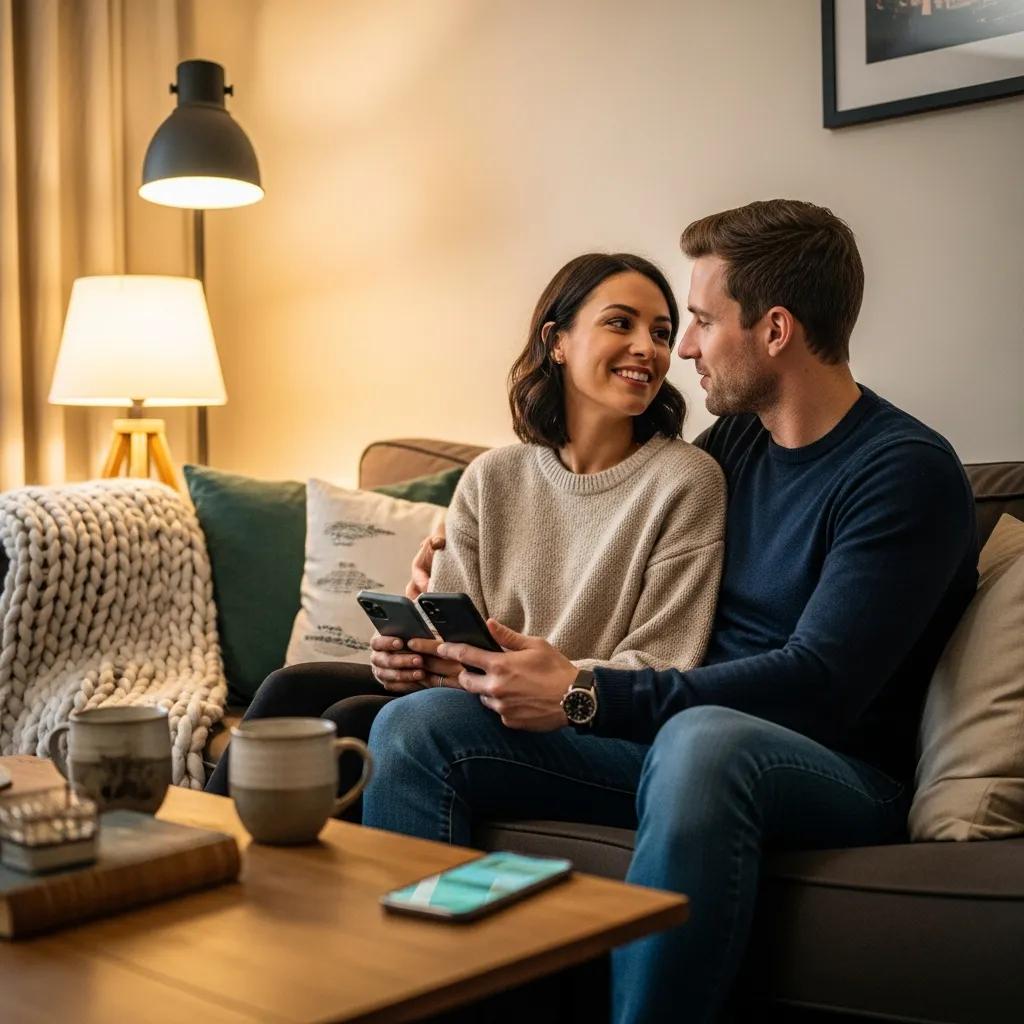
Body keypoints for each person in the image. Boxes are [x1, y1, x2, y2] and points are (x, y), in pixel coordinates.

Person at [363, 199, 978, 1023]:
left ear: (775, 330)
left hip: (834, 771)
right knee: (417, 727)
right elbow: (603, 510)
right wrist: (449, 548)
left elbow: (821, 685)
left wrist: (585, 693)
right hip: (677, 746)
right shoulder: (737, 446)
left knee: (703, 740)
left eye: (700, 321)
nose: (682, 348)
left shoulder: (903, 472)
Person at [206, 252, 727, 808]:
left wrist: (534, 676)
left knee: (358, 720)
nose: (648, 348)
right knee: (294, 687)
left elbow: (662, 663)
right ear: (556, 341)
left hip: (591, 720)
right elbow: (448, 637)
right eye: (620, 323)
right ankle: (199, 847)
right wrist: (408, 661)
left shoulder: (687, 480)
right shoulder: (491, 476)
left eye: (661, 333)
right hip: (477, 700)